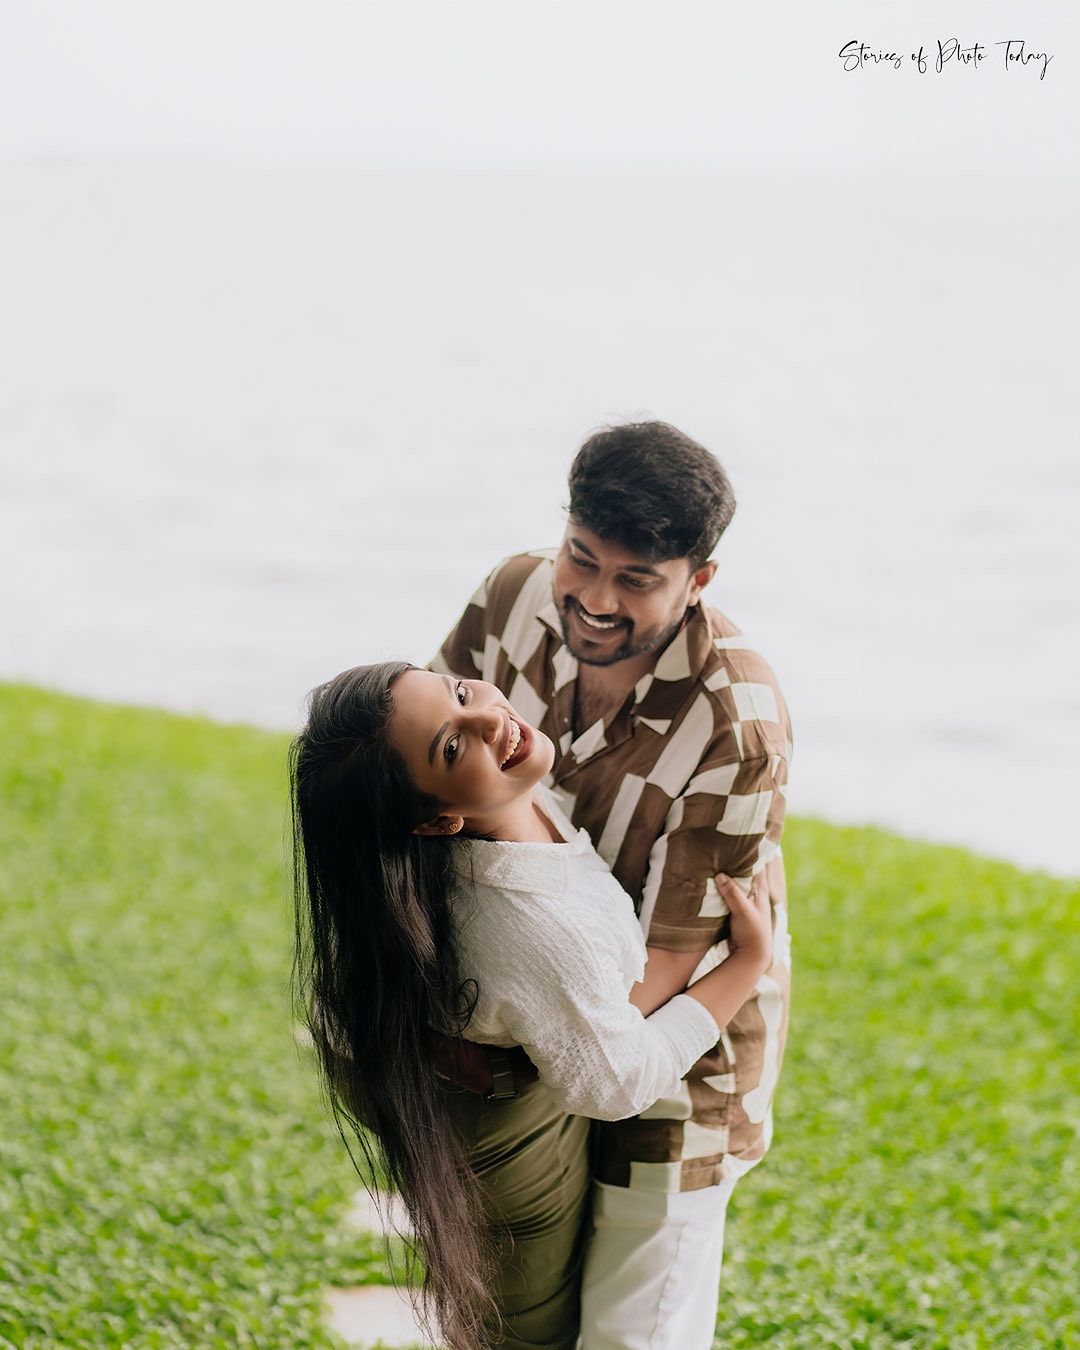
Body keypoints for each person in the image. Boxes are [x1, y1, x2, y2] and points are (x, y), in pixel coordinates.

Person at [430, 419, 793, 1349]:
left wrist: (544, 1053)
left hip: (670, 1057)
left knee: (636, 1331)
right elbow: (420, 776)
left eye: (636, 581)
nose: (593, 600)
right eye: (581, 560)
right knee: (503, 1317)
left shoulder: (736, 720)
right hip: (533, 1027)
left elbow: (677, 949)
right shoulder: (511, 594)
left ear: (698, 580)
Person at [289, 661, 775, 1350]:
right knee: (523, 1334)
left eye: (460, 694)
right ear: (435, 823)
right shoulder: (534, 927)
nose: (491, 719)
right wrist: (747, 965)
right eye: (453, 747)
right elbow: (615, 1081)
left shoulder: (513, 797)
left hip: (492, 1093)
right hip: (507, 1139)